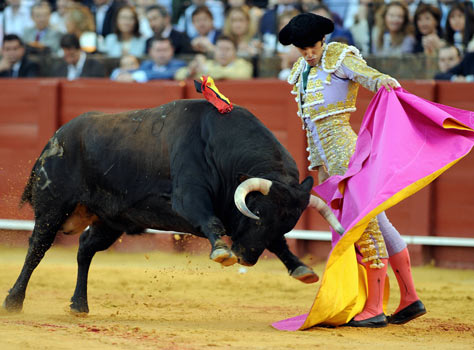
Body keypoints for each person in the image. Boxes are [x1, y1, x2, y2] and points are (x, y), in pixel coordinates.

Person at [278, 13, 426, 327]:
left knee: (363, 224)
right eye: (302, 49)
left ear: (323, 40)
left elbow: (367, 75)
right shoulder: (301, 70)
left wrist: (382, 80)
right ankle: (411, 298)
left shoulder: (338, 56)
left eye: (312, 47)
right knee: (377, 220)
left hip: (346, 155)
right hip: (325, 161)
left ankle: (373, 308)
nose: (308, 53)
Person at [175, 34, 252, 80]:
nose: (223, 53)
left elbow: (237, 75)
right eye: (220, 49)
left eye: (227, 49)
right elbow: (179, 75)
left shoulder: (244, 65)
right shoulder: (208, 64)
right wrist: (189, 71)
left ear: (235, 52)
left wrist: (204, 68)